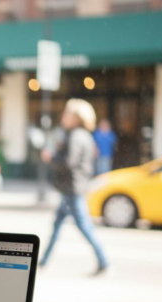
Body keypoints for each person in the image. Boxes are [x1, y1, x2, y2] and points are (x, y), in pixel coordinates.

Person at [39, 99, 111, 275]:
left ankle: (104, 261)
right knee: (57, 225)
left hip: (73, 189)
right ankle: (43, 262)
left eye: (67, 113)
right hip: (71, 188)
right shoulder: (81, 135)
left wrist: (51, 157)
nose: (64, 116)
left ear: (77, 118)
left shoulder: (76, 136)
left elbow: (68, 162)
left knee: (84, 226)